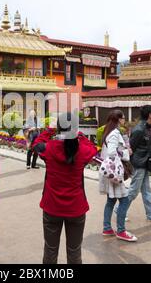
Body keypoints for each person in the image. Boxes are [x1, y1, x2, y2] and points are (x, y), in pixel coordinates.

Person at [33, 112, 98, 264]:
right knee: (74, 252)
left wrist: (50, 130)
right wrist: (79, 134)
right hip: (76, 208)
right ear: (75, 129)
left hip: (52, 207)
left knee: (50, 250)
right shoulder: (82, 150)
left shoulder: (49, 148)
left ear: (59, 129)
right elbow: (93, 148)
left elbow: (36, 144)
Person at [100, 110, 137, 242]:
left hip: (110, 172)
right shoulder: (115, 133)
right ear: (119, 119)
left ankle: (107, 228)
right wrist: (126, 153)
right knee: (124, 200)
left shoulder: (108, 132)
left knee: (111, 200)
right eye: (123, 118)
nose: (124, 120)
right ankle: (121, 231)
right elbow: (112, 152)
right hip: (115, 172)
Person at [127, 105, 151, 222]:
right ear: (150, 115)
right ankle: (119, 210)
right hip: (139, 164)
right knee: (133, 191)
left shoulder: (146, 127)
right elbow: (131, 148)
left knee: (146, 191)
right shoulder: (139, 129)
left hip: (144, 163)